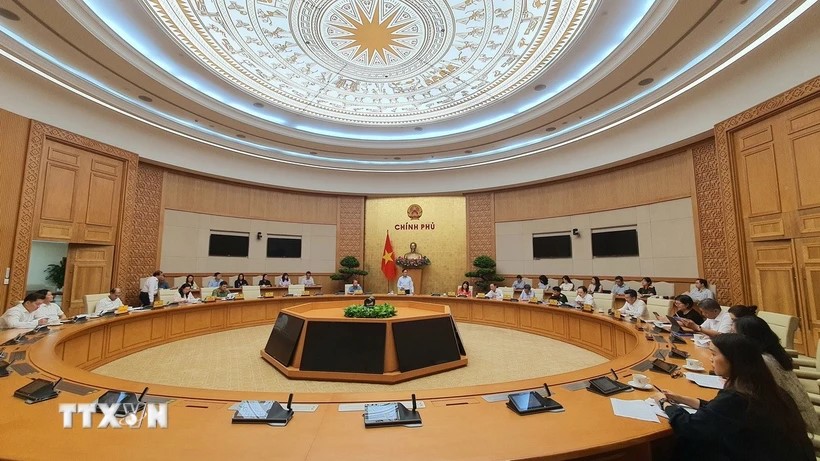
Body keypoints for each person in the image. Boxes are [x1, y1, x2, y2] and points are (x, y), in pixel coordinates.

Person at [652, 334, 813, 461]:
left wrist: (664, 403)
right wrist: (681, 398)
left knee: (686, 444)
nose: (710, 359)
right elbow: (719, 413)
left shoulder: (735, 398)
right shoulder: (763, 388)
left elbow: (689, 426)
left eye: (714, 354)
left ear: (734, 359)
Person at [734, 315, 820, 433]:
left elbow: (755, 400)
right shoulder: (774, 353)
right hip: (799, 417)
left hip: (796, 428)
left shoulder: (763, 362)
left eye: (734, 334)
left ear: (747, 338)